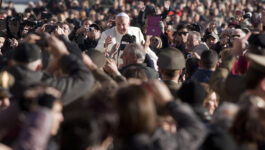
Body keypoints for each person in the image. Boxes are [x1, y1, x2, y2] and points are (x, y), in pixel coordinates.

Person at [6, 35, 94, 106]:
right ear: (39, 67)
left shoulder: (6, 80)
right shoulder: (45, 90)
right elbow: (85, 79)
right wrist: (63, 53)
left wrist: (22, 47)